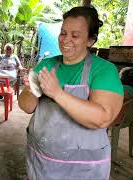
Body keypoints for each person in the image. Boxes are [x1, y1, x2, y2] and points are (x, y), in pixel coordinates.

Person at [18, 6, 123, 179]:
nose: (66, 40)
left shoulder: (104, 70)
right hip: (42, 161)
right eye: (63, 33)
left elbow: (102, 118)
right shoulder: (47, 64)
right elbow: (26, 107)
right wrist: (31, 89)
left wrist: (57, 94)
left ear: (90, 40)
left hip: (83, 169)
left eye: (75, 35)